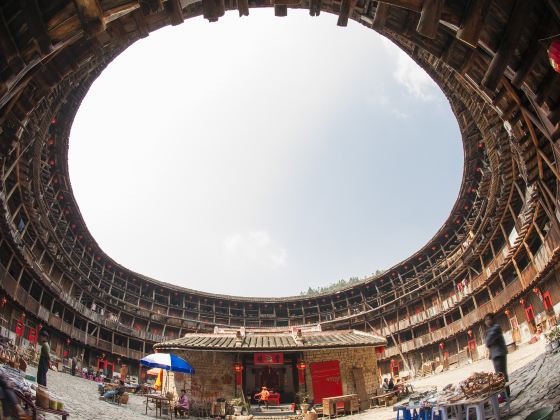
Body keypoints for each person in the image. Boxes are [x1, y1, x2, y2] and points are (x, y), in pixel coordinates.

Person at [484, 313, 510, 398]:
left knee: (501, 375)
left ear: (492, 319)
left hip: (499, 354)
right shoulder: (490, 330)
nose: (487, 322)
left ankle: (504, 395)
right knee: (500, 375)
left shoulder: (495, 328)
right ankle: (505, 394)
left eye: (488, 319)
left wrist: (487, 339)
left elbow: (488, 341)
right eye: (485, 320)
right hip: (496, 355)